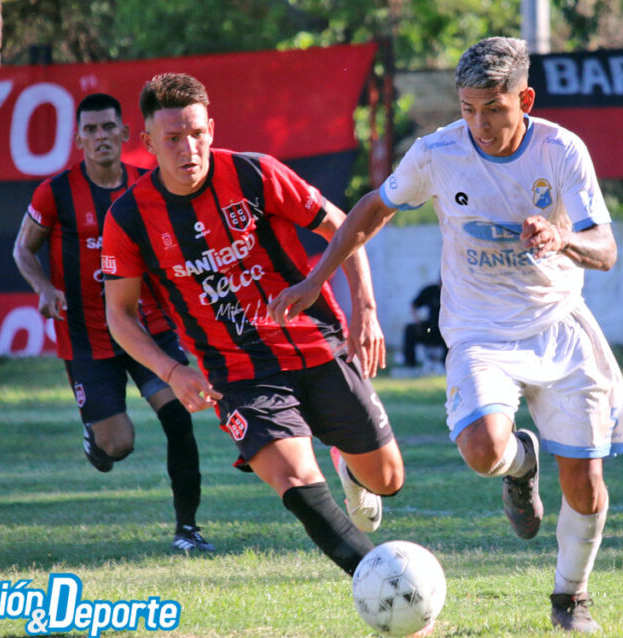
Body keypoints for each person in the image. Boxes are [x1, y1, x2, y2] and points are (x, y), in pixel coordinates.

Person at [270, 37, 623, 633]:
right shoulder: (438, 153)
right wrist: (316, 279)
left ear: (525, 100)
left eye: (494, 109)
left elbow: (607, 249)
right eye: (468, 109)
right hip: (479, 332)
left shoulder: (561, 150)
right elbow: (374, 207)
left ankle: (570, 598)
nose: (480, 124)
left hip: (559, 328)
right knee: (483, 450)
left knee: (585, 484)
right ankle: (520, 465)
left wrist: (562, 237)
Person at [101, 73, 405, 579]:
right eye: (173, 138)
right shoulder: (129, 217)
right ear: (148, 142)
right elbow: (120, 315)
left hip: (316, 344)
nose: (188, 148)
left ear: (212, 130)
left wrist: (365, 311)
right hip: (239, 373)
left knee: (388, 479)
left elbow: (341, 227)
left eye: (197, 133)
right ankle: (381, 582)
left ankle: (353, 469)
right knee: (295, 479)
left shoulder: (255, 174)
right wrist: (172, 371)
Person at [13, 93, 214, 553]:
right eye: (91, 129)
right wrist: (44, 287)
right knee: (118, 445)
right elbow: (23, 248)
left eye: (108, 127)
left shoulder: (150, 185)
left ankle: (188, 530)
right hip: (86, 337)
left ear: (125, 134)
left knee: (178, 417)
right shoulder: (56, 192)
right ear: (78, 138)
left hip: (147, 330)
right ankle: (97, 438)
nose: (101, 136)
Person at [402, 281, 445, 369]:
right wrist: (418, 321)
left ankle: (445, 364)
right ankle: (410, 364)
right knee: (410, 329)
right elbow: (414, 305)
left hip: (447, 329)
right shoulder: (431, 290)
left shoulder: (454, 293)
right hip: (431, 328)